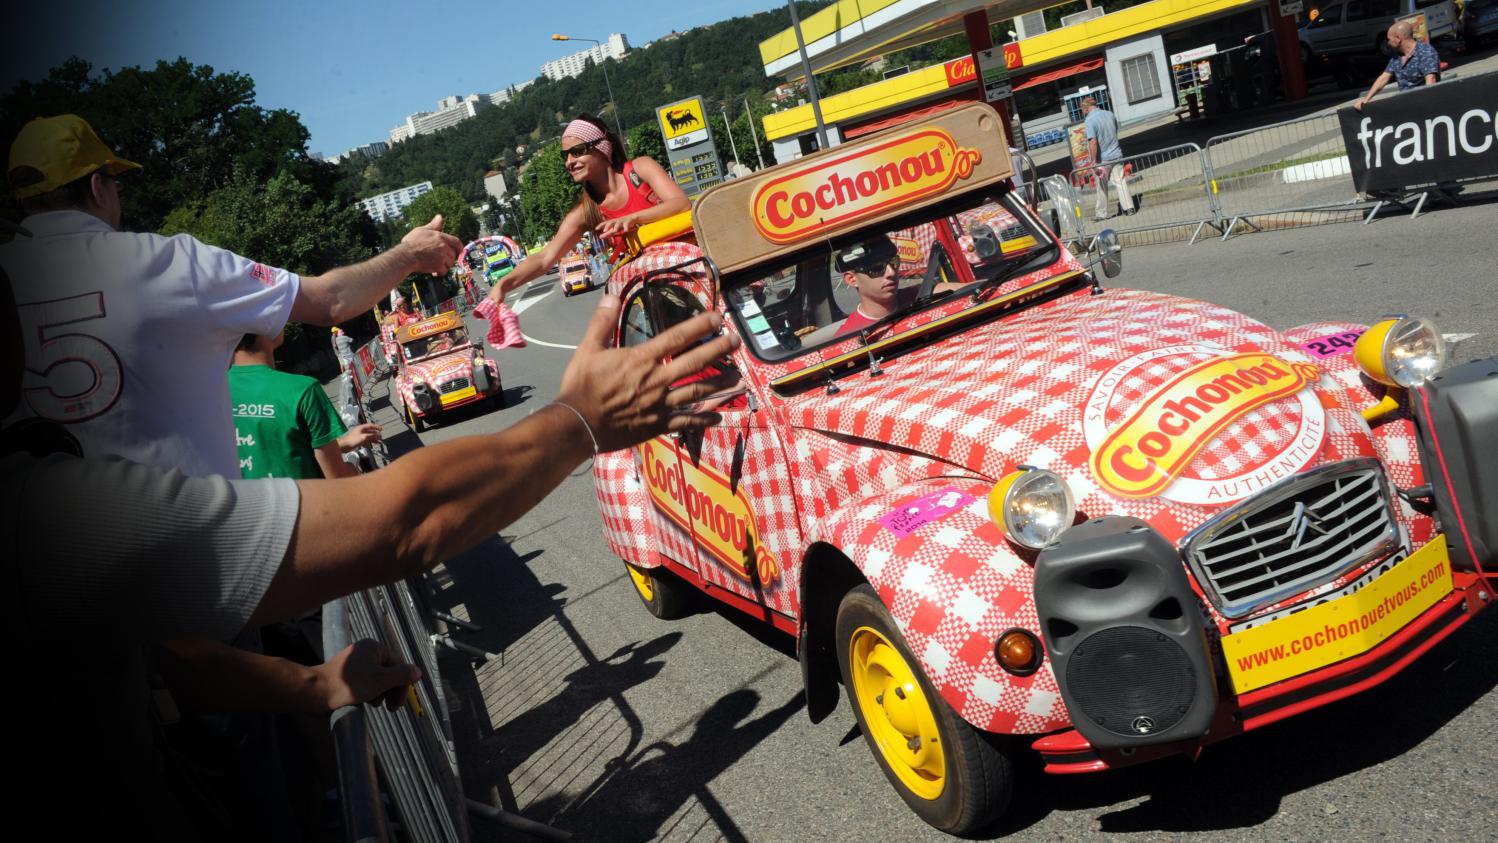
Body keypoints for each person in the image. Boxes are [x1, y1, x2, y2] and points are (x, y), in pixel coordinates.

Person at [5, 258, 740, 836]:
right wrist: (581, 419)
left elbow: (166, 655)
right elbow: (399, 522)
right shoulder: (53, 513)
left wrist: (316, 687)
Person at [1, 114, 461, 478]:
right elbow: (330, 302)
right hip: (193, 561)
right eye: (115, 182)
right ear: (99, 187)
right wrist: (408, 254)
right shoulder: (167, 261)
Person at [483, 114, 689, 308]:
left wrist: (633, 218)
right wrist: (503, 284)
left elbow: (681, 204)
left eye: (577, 151)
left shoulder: (640, 168)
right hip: (656, 296)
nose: (569, 162)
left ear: (602, 148)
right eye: (566, 155)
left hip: (691, 267)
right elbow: (545, 258)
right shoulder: (586, 211)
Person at [230, 331, 381, 480]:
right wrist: (355, 470)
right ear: (268, 323)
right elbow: (337, 480)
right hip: (304, 502)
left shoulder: (214, 391)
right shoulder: (302, 389)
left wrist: (341, 444)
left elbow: (264, 451)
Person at [835, 236, 962, 336]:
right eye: (877, 268)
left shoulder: (922, 294)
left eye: (894, 262)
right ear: (852, 279)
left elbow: (976, 289)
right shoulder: (848, 337)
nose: (891, 273)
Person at [1355, 20, 1441, 110]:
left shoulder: (1425, 51)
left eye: (1389, 39)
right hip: (1406, 105)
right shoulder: (1396, 57)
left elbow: (1431, 80)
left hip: (1424, 105)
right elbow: (1383, 78)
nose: (1388, 43)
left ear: (1398, 38)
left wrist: (1428, 106)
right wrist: (1366, 99)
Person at [1081, 97, 1135, 221]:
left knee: (1101, 186)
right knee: (1120, 182)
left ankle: (1101, 213)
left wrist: (1093, 161)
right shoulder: (1110, 114)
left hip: (1102, 159)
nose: (1083, 112)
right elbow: (1115, 131)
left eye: (1083, 109)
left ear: (1086, 108)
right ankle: (1129, 208)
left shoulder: (1089, 121)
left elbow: (1093, 142)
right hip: (1116, 153)